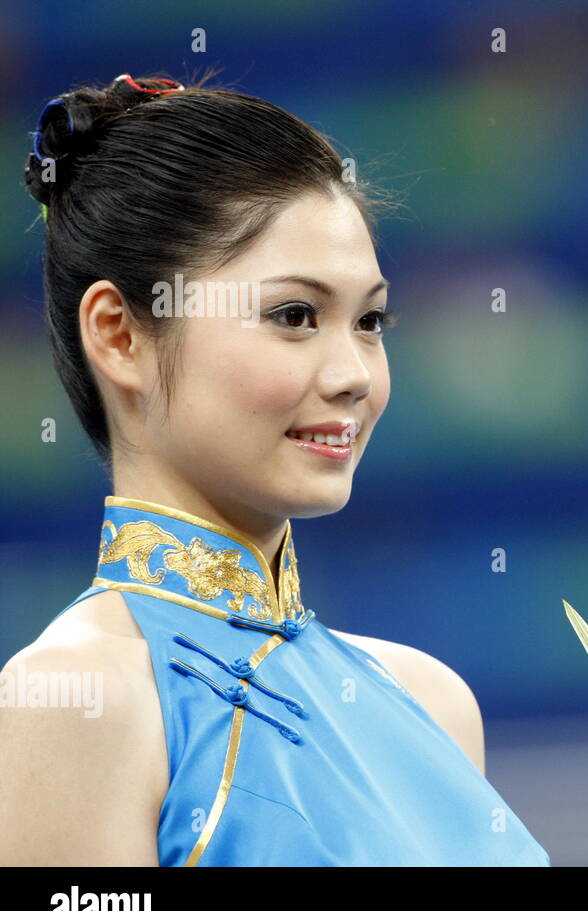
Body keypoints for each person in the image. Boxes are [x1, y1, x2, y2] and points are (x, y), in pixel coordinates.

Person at [0, 73, 550, 866]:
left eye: (370, 321)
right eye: (295, 316)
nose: (354, 372)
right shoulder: (75, 700)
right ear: (120, 335)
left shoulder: (431, 699)